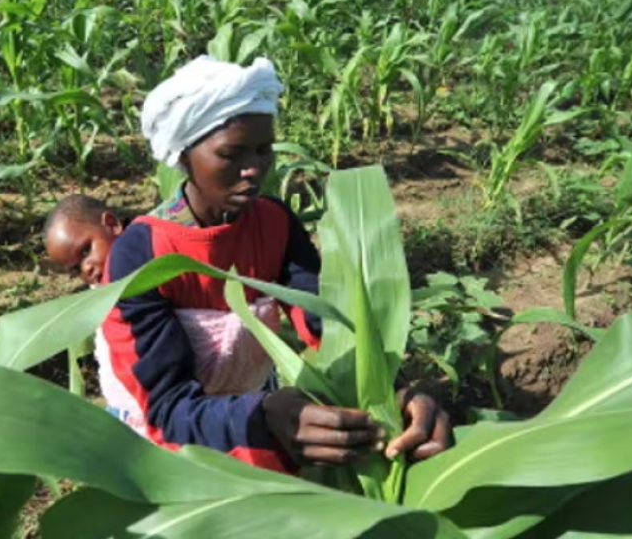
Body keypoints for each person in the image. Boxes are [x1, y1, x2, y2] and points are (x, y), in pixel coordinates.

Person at [94, 55, 451, 475]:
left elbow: (331, 329)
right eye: (232, 153)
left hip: (264, 411)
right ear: (185, 155)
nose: (253, 169)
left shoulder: (274, 223)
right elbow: (167, 409)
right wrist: (262, 417)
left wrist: (398, 392)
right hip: (180, 443)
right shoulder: (142, 253)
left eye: (264, 150)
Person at [43, 194, 124, 287]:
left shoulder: (143, 239)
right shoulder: (102, 294)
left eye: (86, 251)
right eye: (76, 269)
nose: (86, 269)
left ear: (112, 225)